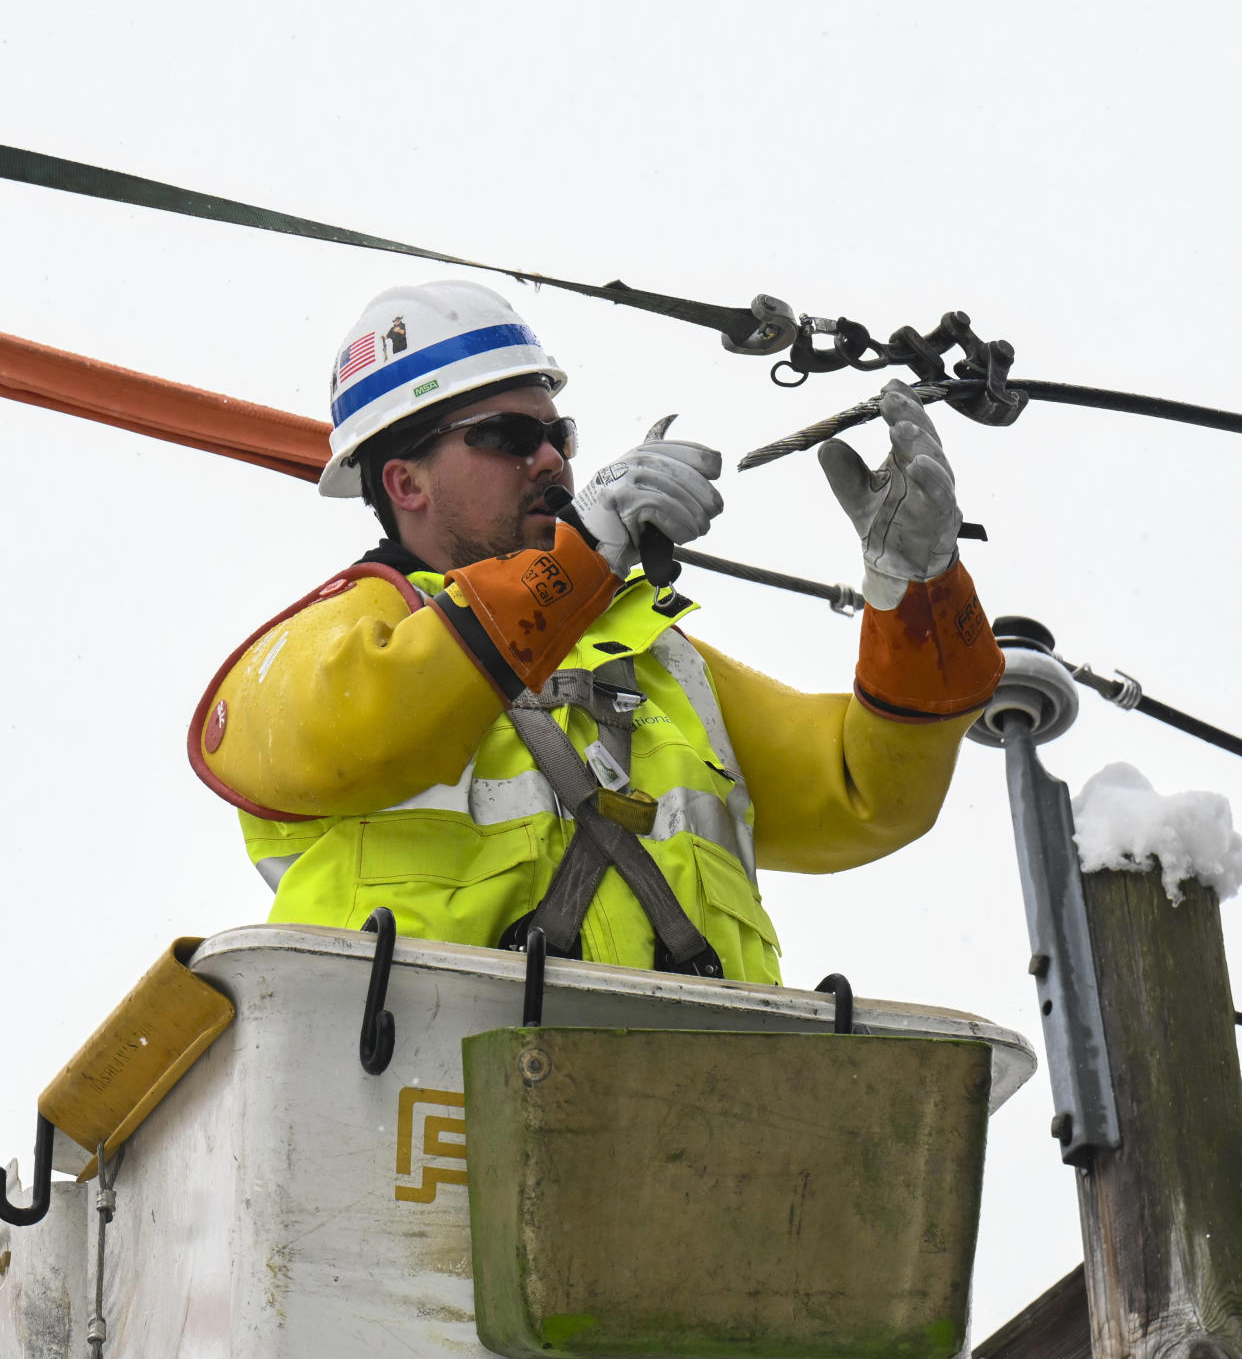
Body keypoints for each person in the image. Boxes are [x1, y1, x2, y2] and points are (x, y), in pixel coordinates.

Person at [189, 281, 1004, 985]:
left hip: (687, 1125)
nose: (550, 459)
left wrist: (917, 594)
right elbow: (365, 728)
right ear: (404, 481)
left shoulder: (651, 661)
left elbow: (869, 793)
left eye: (559, 434)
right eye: (507, 438)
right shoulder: (338, 637)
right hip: (421, 1117)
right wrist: (577, 560)